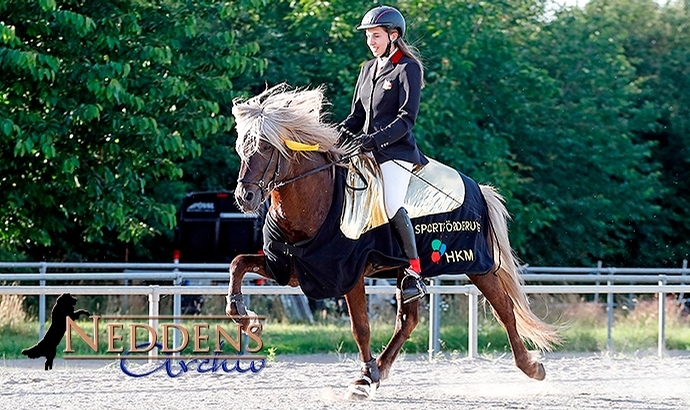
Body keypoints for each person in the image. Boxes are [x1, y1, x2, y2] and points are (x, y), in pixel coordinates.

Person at [338, 5, 428, 304]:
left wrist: (373, 140)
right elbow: (355, 117)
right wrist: (332, 137)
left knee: (390, 205)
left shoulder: (407, 68)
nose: (371, 42)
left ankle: (414, 272)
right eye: (368, 37)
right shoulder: (366, 69)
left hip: (396, 153)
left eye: (375, 36)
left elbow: (406, 118)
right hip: (364, 149)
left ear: (393, 35)